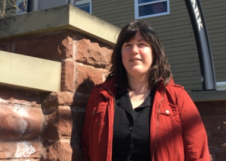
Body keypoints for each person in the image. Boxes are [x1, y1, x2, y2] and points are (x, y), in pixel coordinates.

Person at [81, 21, 210, 161]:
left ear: (154, 53)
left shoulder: (177, 98)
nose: (134, 51)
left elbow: (197, 153)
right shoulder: (100, 96)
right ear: (120, 54)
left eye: (142, 44)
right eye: (127, 45)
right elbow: (87, 148)